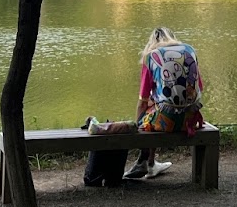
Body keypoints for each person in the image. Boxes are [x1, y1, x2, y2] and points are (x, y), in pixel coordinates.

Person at [86, 27, 205, 179]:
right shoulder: (190, 50)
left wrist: (138, 126)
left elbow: (142, 101)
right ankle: (150, 163)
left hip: (168, 122)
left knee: (149, 110)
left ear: (152, 42)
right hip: (190, 120)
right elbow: (199, 88)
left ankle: (145, 161)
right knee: (157, 104)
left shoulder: (151, 57)